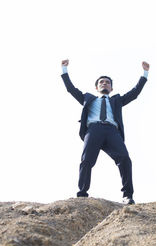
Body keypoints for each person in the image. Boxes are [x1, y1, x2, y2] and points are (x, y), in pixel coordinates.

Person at [61, 59, 149, 205]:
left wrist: (144, 74)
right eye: (101, 82)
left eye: (107, 82)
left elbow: (134, 93)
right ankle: (82, 194)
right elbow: (71, 89)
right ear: (96, 87)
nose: (104, 83)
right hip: (93, 130)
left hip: (112, 131)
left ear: (111, 88)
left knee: (125, 159)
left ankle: (127, 196)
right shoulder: (87, 98)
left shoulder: (117, 100)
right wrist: (64, 70)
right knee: (86, 161)